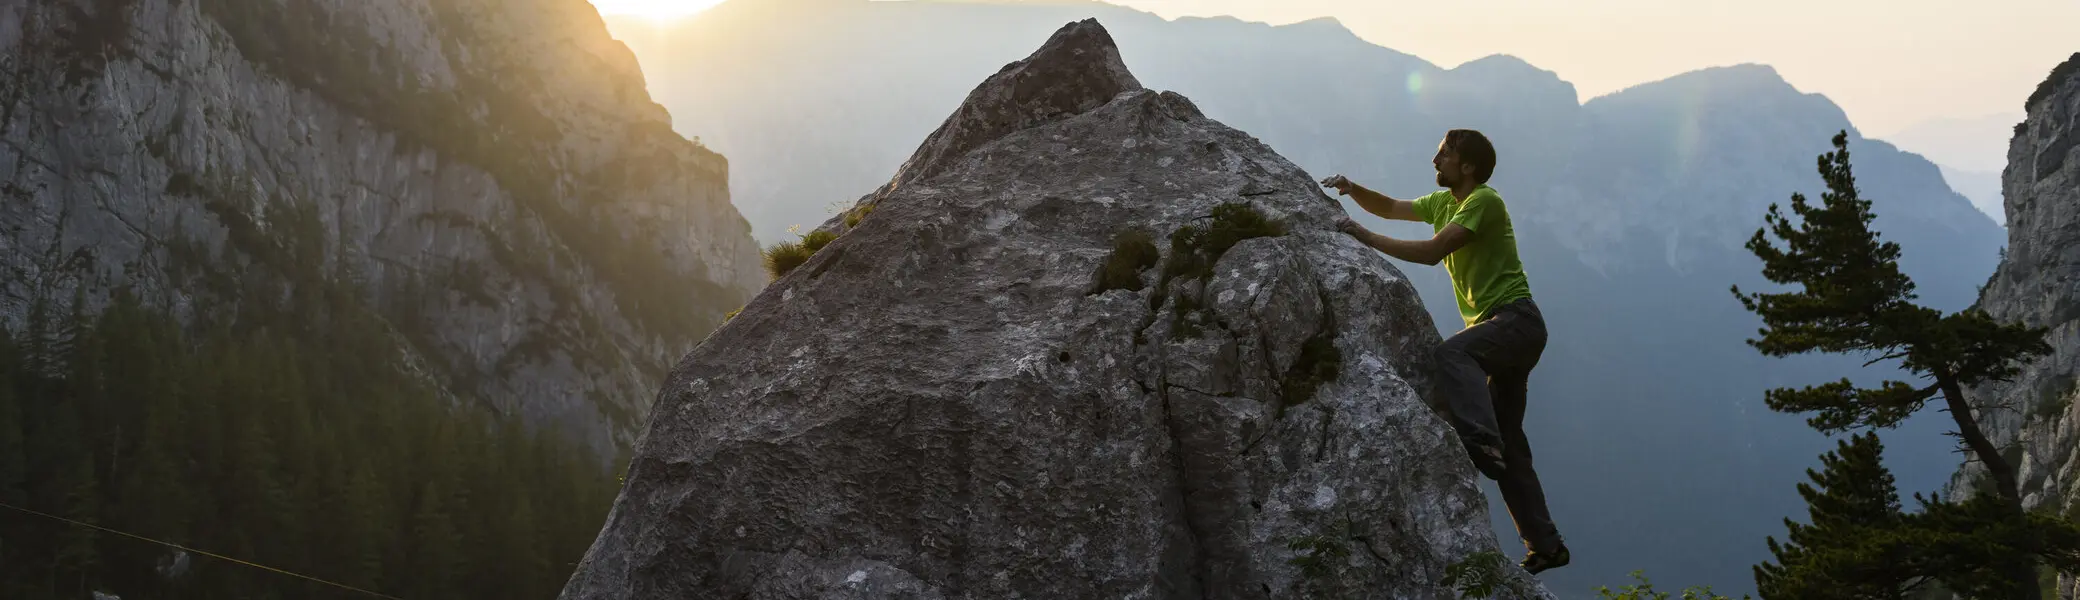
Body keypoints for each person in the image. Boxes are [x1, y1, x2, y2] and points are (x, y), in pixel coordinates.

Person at [1320, 129, 1568, 574]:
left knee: (1453, 355)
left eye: (1444, 155)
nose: (1435, 162)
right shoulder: (1442, 204)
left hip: (1516, 322)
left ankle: (1482, 439)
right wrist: (1353, 190)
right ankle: (1546, 545)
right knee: (1513, 445)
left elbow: (1435, 252)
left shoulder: (1483, 202)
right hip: (1504, 330)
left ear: (1467, 166)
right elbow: (1393, 207)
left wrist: (1362, 236)